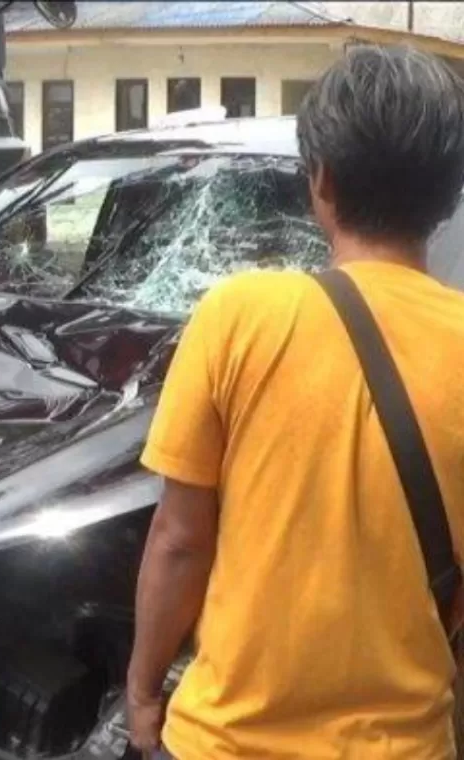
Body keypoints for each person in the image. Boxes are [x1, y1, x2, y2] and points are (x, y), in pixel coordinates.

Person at [126, 44, 464, 759]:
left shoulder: (239, 315)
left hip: (226, 742)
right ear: (448, 195)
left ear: (321, 179)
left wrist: (143, 691)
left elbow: (180, 541)